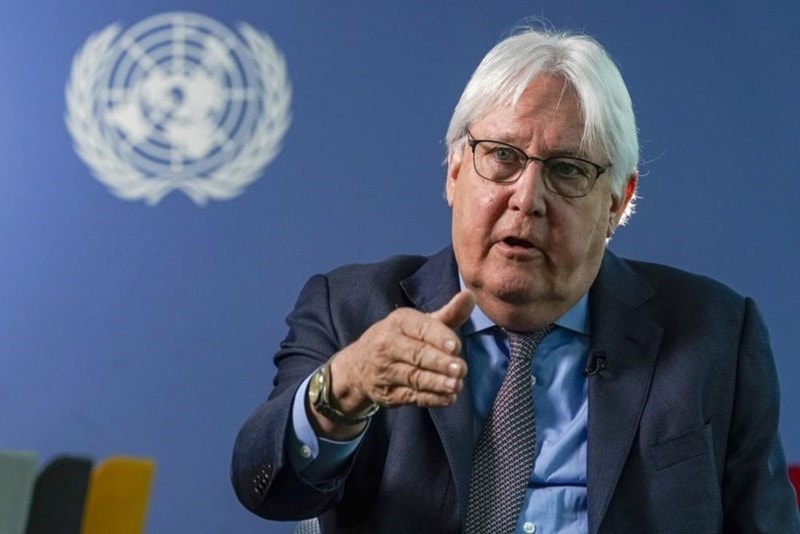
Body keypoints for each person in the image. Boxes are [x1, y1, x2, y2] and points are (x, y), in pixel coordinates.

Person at [231, 26, 800, 533]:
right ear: (454, 171)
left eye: (568, 169)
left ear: (616, 204)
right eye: (501, 156)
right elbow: (268, 487)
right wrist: (346, 387)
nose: (526, 199)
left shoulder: (716, 334)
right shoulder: (352, 309)